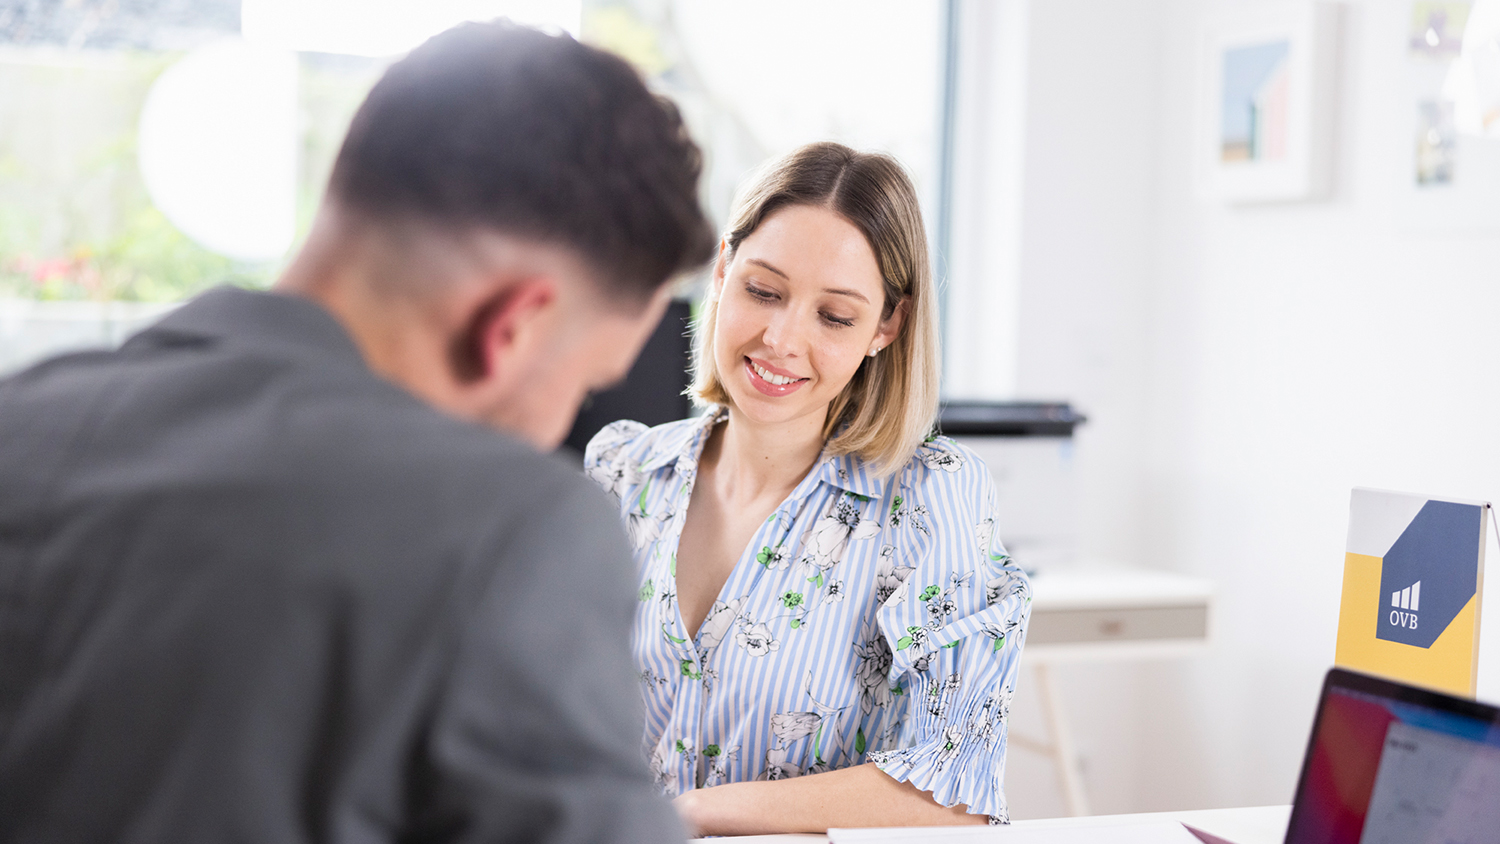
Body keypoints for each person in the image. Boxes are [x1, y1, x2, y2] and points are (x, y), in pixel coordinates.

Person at [0, 21, 714, 844]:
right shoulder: (512, 532)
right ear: (511, 326)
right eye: (586, 384)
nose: (568, 418)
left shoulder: (24, 420)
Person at [584, 142, 1032, 835]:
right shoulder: (622, 472)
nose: (782, 339)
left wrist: (691, 813)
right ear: (724, 271)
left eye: (835, 316)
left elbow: (956, 788)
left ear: (887, 327)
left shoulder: (929, 499)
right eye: (763, 291)